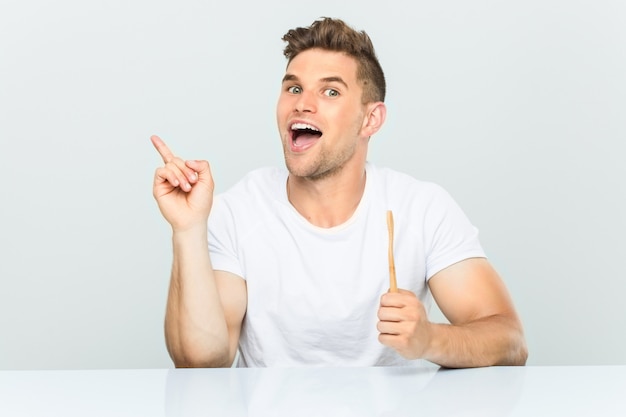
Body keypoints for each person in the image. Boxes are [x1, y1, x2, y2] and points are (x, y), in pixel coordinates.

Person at [151, 17, 528, 368]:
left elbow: (509, 341)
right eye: (293, 87)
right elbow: (201, 360)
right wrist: (187, 231)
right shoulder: (236, 212)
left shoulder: (422, 209)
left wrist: (431, 340)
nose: (303, 103)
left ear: (371, 119)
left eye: (330, 91)